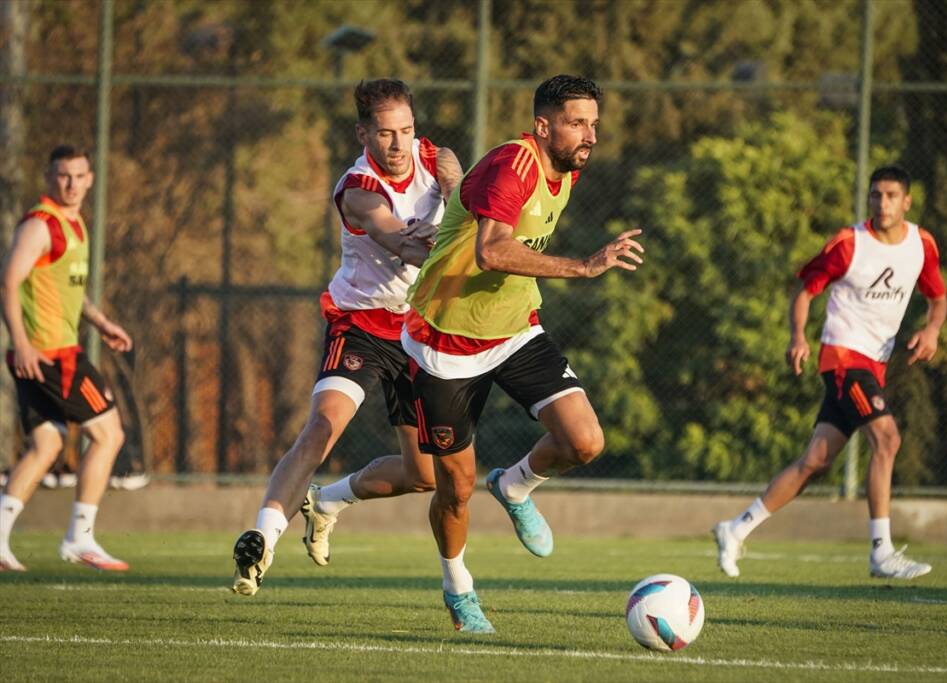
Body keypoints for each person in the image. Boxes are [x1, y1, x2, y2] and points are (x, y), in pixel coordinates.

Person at [402, 75, 644, 633]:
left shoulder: (569, 167)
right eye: (577, 123)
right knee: (454, 491)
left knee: (585, 441)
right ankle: (458, 588)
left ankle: (514, 485)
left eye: (594, 124)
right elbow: (491, 251)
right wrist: (583, 267)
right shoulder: (515, 163)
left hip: (515, 329)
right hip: (446, 344)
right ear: (543, 125)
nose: (590, 135)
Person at [231, 79, 463, 595]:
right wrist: (453, 238)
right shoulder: (358, 189)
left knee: (424, 475)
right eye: (385, 134)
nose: (399, 145)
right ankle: (262, 538)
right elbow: (402, 243)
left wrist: (458, 190)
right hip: (361, 323)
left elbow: (464, 201)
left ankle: (327, 500)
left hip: (419, 329)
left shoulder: (436, 158)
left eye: (406, 130)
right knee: (322, 427)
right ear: (364, 133)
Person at [713, 165, 947, 580]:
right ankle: (881, 551)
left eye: (892, 195)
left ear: (907, 201)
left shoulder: (921, 244)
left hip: (875, 363)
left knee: (816, 462)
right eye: (876, 194)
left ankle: (736, 528)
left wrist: (932, 329)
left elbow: (938, 297)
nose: (883, 202)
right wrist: (798, 336)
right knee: (887, 439)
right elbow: (805, 290)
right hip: (843, 358)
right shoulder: (848, 243)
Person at [0, 145, 133, 572]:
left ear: (91, 179)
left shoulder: (73, 224)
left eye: (78, 176)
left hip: (50, 353)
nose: (71, 184)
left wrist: (99, 322)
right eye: (62, 176)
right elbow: (8, 282)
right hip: (51, 356)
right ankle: (80, 537)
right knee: (109, 434)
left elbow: (66, 293)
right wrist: (20, 342)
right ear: (48, 177)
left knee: (47, 444)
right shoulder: (40, 225)